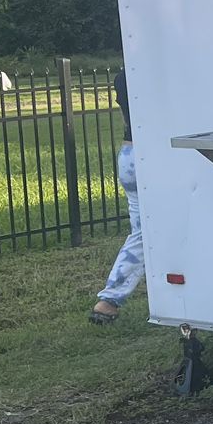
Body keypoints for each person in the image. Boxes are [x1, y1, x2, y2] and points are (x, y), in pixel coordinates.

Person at [89, 69, 143, 324]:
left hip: (128, 154)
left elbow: (126, 117)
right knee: (145, 233)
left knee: (141, 231)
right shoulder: (157, 71)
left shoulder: (123, 76)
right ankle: (109, 300)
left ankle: (110, 300)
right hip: (149, 153)